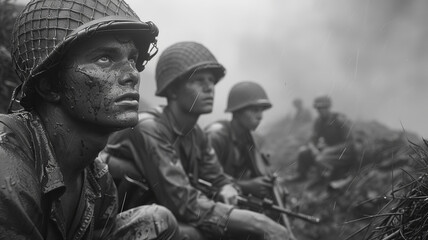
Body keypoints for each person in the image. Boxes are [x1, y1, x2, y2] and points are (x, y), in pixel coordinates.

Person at [0, 0, 179, 239]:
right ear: (49, 85)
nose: (132, 75)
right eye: (104, 59)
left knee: (158, 220)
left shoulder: (99, 181)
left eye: (133, 60)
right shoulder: (8, 168)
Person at [100, 42, 291, 240]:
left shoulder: (195, 133)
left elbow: (216, 176)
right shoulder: (149, 128)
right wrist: (259, 223)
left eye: (211, 81)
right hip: (112, 226)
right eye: (199, 80)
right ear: (173, 90)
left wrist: (226, 187)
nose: (210, 88)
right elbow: (183, 202)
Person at [204, 82, 296, 239]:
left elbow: (262, 173)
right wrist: (246, 186)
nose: (260, 115)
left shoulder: (250, 139)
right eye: (254, 109)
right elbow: (204, 182)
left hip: (238, 202)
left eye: (261, 110)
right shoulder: (216, 136)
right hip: (213, 207)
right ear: (237, 112)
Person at [286, 95, 357, 182]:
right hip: (328, 151)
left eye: (323, 108)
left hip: (344, 154)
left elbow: (350, 143)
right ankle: (301, 176)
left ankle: (326, 181)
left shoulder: (339, 120)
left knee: (321, 159)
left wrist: (329, 150)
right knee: (303, 152)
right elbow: (312, 139)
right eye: (318, 108)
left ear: (328, 107)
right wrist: (314, 149)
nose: (320, 110)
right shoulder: (319, 121)